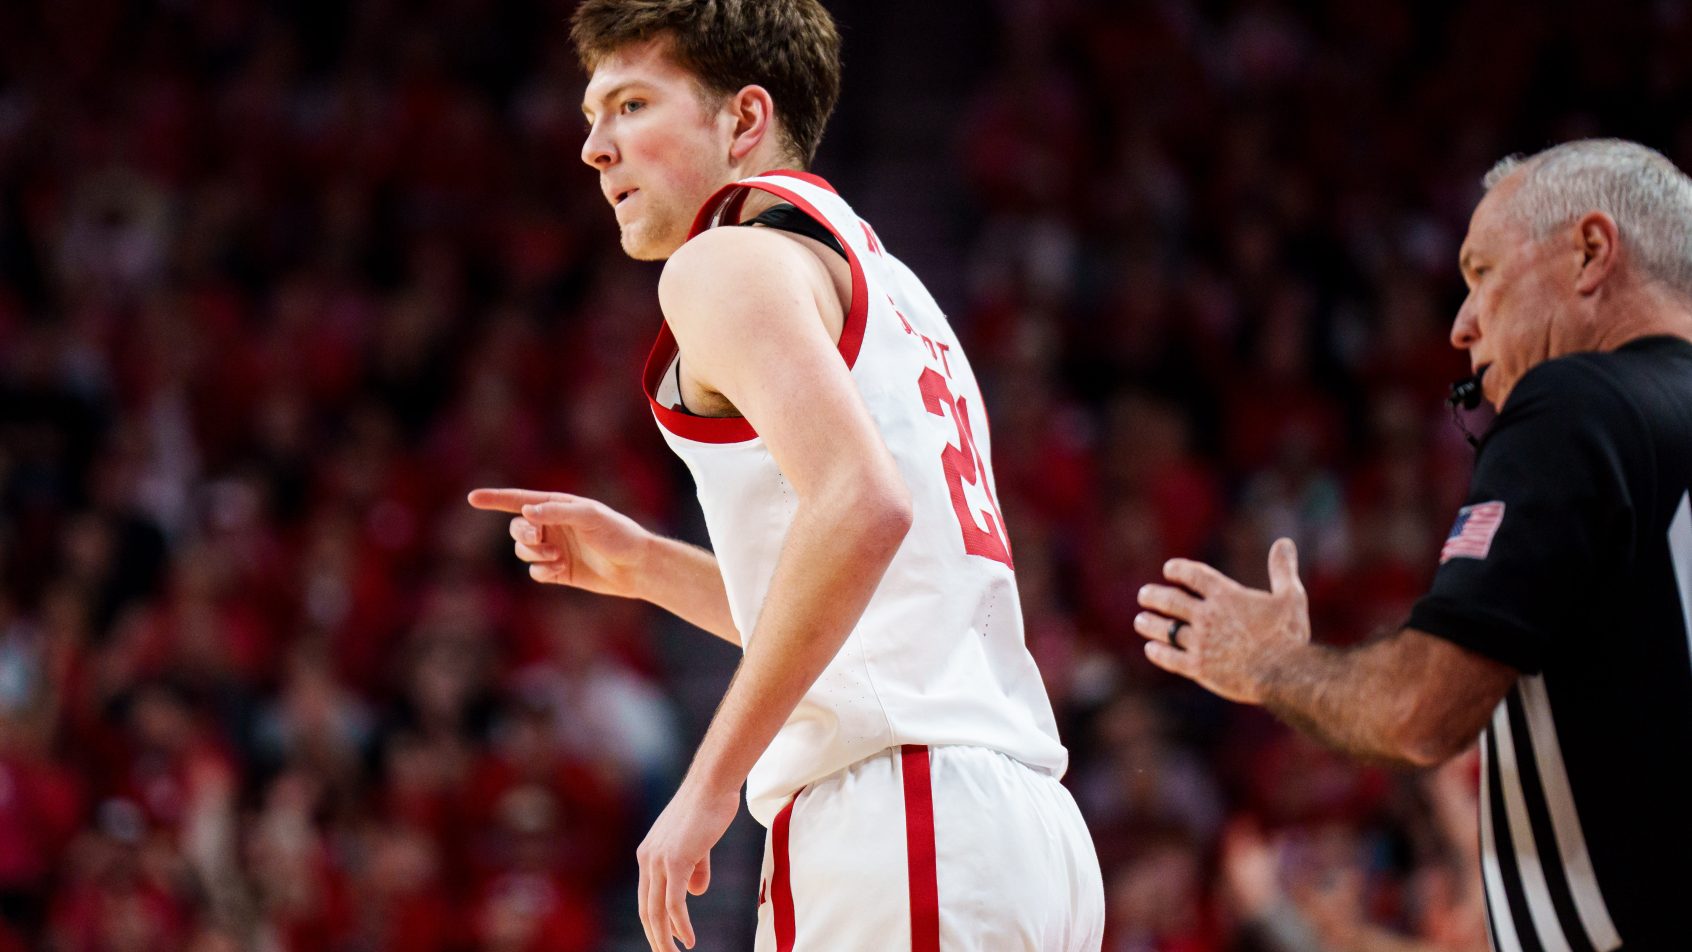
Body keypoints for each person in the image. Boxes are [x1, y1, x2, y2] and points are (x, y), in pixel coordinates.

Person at [468, 2, 1104, 950]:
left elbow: (864, 509)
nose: (595, 148)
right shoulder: (895, 288)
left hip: (900, 816)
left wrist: (709, 782)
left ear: (743, 119)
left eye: (632, 105)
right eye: (592, 115)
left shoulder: (723, 261)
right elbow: (877, 610)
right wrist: (646, 565)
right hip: (1010, 830)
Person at [1134, 138, 1692, 951]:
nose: (1462, 325)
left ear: (1590, 252)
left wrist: (1266, 662)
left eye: (1483, 274)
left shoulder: (1577, 402)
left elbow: (1419, 713)